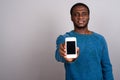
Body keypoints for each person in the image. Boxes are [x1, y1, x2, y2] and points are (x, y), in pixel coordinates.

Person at [55, 3, 114, 80]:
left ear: (89, 17)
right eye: (76, 14)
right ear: (71, 18)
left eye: (84, 14)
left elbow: (106, 67)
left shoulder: (100, 39)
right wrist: (63, 55)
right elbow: (58, 55)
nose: (80, 17)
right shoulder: (64, 38)